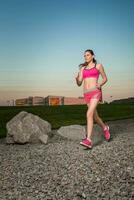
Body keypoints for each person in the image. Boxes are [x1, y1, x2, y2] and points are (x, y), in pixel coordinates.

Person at [75, 49, 111, 149]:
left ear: (92, 56)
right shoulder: (82, 68)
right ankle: (105, 127)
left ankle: (88, 140)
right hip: (86, 94)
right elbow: (79, 84)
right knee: (95, 116)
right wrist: (77, 79)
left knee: (88, 113)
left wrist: (100, 84)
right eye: (84, 56)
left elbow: (105, 78)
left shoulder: (98, 66)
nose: (85, 57)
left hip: (95, 91)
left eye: (87, 55)